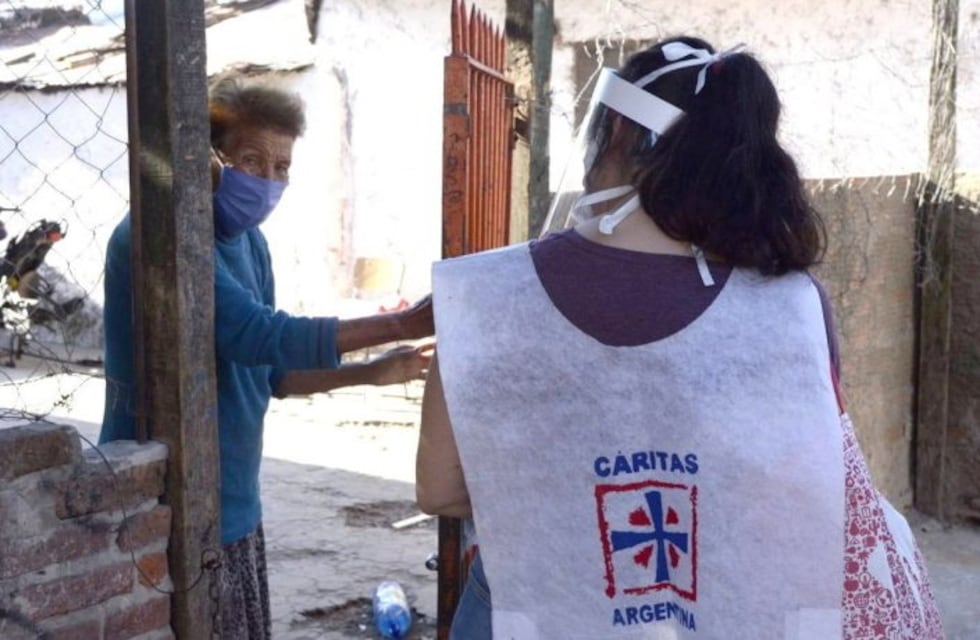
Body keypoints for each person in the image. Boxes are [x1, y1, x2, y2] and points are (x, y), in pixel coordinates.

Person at [415, 36, 943, 639]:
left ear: (614, 130)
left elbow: (438, 488)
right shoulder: (790, 307)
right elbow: (800, 495)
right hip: (721, 606)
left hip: (524, 601)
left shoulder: (480, 295)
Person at [100, 74, 434, 639]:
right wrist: (399, 321)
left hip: (233, 499)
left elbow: (274, 374)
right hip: (164, 492)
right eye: (252, 161)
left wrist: (372, 373)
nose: (269, 181)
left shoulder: (250, 243)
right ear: (206, 156)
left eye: (282, 168)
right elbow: (255, 334)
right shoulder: (159, 235)